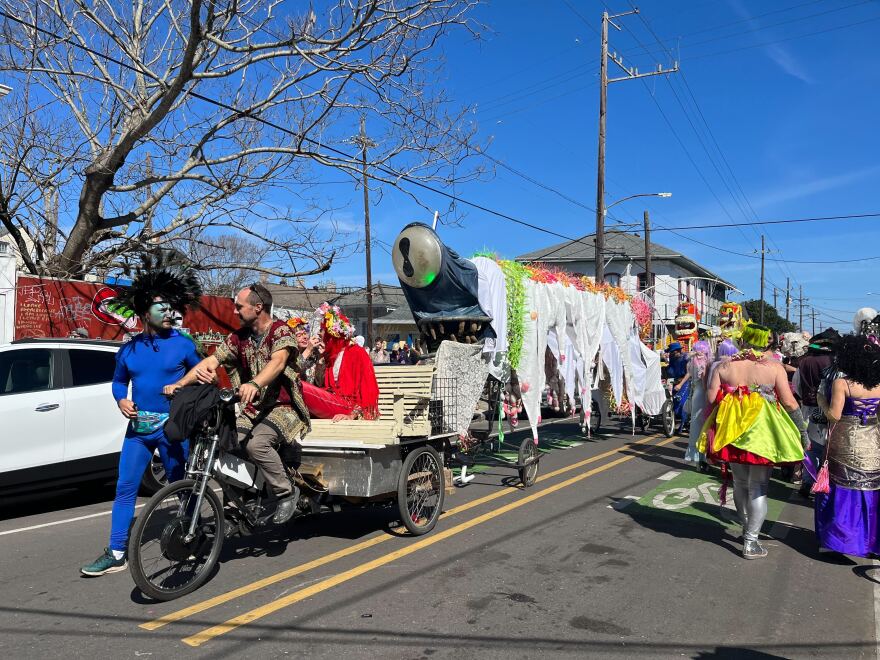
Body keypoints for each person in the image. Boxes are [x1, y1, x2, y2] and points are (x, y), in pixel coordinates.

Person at [81, 259, 202, 576]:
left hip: (173, 428)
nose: (168, 314)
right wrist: (121, 399)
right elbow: (119, 381)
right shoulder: (129, 349)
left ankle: (190, 538)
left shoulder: (182, 344)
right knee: (125, 489)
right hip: (139, 430)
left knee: (181, 486)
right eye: (160, 309)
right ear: (144, 314)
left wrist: (181, 386)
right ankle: (117, 552)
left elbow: (205, 372)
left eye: (169, 308)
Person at [168, 284, 310, 525]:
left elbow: (277, 362)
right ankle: (242, 497)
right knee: (225, 442)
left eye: (239, 307)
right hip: (252, 408)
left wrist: (254, 384)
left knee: (257, 445)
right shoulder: (238, 337)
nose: (234, 312)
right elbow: (211, 361)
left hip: (283, 408)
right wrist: (180, 384)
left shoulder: (280, 331)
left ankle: (286, 492)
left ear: (258, 307)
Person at [697, 323, 808, 559]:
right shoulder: (774, 367)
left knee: (739, 483)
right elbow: (789, 403)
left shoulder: (724, 365)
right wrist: (802, 431)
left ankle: (747, 527)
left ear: (743, 340)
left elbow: (711, 398)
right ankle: (750, 541)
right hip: (762, 433)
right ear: (766, 342)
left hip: (732, 429)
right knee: (758, 487)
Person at [814, 335, 880, 557]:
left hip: (844, 441)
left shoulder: (842, 383)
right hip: (872, 443)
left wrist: (821, 400)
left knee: (840, 490)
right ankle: (868, 541)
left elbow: (834, 415)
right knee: (869, 491)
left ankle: (838, 539)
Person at [300, 303, 380, 420]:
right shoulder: (330, 356)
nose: (318, 333)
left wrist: (352, 415)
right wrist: (321, 358)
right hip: (331, 403)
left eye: (322, 330)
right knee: (292, 385)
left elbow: (367, 390)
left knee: (297, 385)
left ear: (331, 334)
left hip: (348, 407)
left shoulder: (357, 352)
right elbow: (319, 383)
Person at [794, 329, 838, 495]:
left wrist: (806, 397)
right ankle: (822, 480)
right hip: (829, 409)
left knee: (810, 448)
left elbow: (797, 386)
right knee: (827, 448)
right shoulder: (835, 362)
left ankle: (807, 481)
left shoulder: (805, 362)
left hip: (808, 407)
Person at [684, 340, 712, 471]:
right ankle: (704, 458)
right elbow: (705, 383)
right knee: (705, 426)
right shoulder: (705, 363)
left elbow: (691, 377)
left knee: (695, 427)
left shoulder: (691, 362)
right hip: (703, 396)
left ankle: (696, 459)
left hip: (695, 394)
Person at [667, 342, 690, 434]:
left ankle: (684, 423)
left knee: (681, 401)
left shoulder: (686, 358)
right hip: (674, 381)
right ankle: (677, 421)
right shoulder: (672, 359)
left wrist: (681, 384)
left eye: (673, 352)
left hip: (685, 381)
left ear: (678, 351)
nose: (671, 353)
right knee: (672, 400)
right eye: (671, 352)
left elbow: (689, 373)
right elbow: (670, 371)